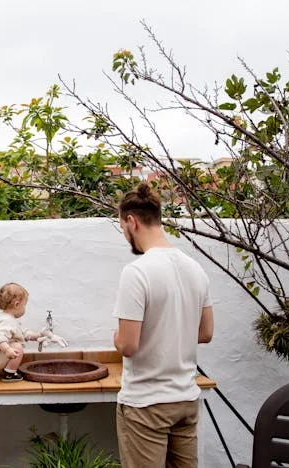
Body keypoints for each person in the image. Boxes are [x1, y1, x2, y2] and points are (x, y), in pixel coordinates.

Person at [112, 182, 214, 468]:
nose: (126, 236)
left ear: (131, 222)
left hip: (147, 404)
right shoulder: (195, 268)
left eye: (123, 228)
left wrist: (116, 338)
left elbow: (128, 345)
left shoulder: (137, 272)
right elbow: (205, 332)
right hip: (185, 400)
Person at [0, 283, 67, 382]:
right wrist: (8, 349)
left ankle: (4, 370)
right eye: (24, 305)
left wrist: (40, 335)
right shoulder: (6, 321)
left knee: (14, 345)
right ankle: (9, 374)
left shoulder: (5, 318)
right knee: (17, 347)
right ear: (17, 305)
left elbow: (24, 334)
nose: (25, 308)